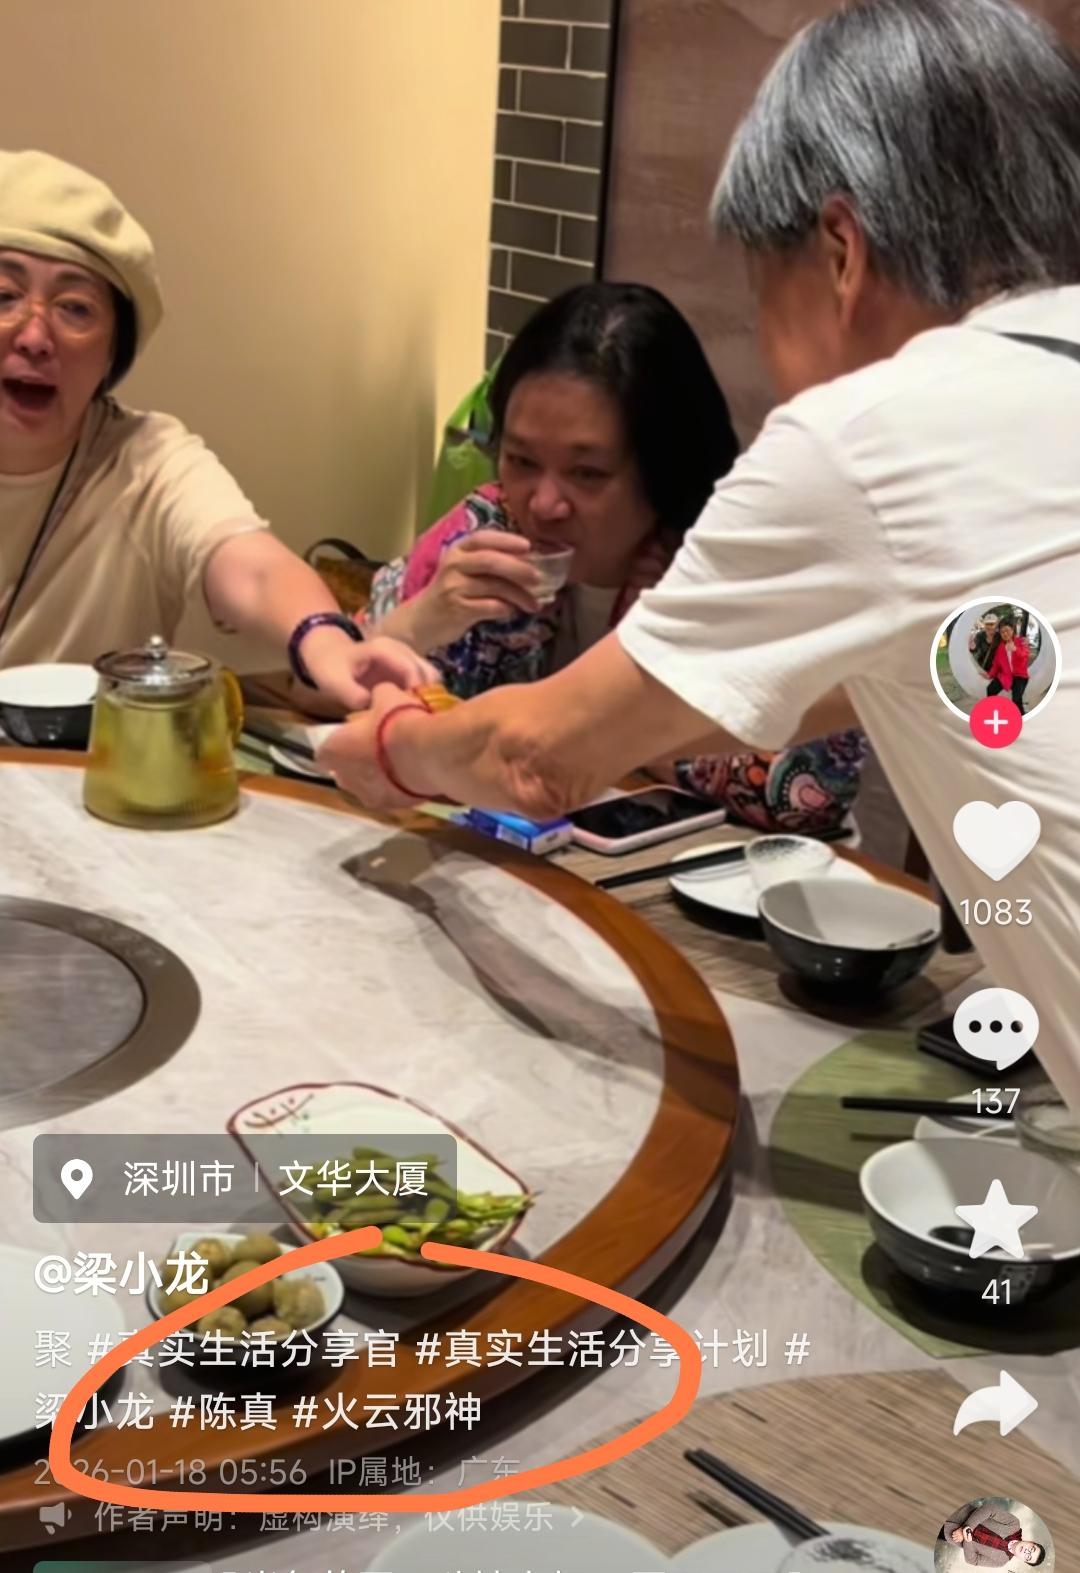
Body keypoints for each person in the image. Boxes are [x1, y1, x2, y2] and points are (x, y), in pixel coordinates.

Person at [320, 0, 1080, 1113]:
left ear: (840, 252)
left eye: (762, 296)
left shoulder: (871, 439)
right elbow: (805, 700)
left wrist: (395, 751)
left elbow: (539, 766)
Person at [362, 282, 868, 834]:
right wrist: (419, 621)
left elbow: (811, 788)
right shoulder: (485, 531)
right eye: (521, 460)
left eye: (587, 473)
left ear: (663, 469)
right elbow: (321, 675)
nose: (544, 504)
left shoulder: (730, 564)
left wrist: (617, 729)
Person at [0, 149, 432, 706]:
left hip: (91, 760)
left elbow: (251, 566)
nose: (35, 337)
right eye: (4, 296)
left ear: (113, 352)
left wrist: (325, 641)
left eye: (76, 308)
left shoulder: (146, 462)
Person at [943, 1503, 1046, 1566]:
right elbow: (989, 1509)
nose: (1027, 1552)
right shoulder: (1014, 1524)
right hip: (957, 1511)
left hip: (948, 1535)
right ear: (1031, 1542)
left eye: (1028, 1557)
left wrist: (967, 1540)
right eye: (1032, 1549)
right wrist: (967, 1528)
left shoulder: (1000, 1562)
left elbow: (973, 1560)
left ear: (1024, 1560)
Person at [987, 619, 1031, 712]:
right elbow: (996, 664)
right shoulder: (1000, 647)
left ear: (1012, 630)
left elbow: (1025, 655)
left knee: (1016, 699)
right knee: (990, 689)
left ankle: (1021, 715)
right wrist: (989, 675)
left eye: (1007, 630)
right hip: (1006, 675)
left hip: (1020, 676)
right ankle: (994, 710)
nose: (1005, 633)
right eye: (1002, 632)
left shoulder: (1021, 641)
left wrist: (1015, 649)